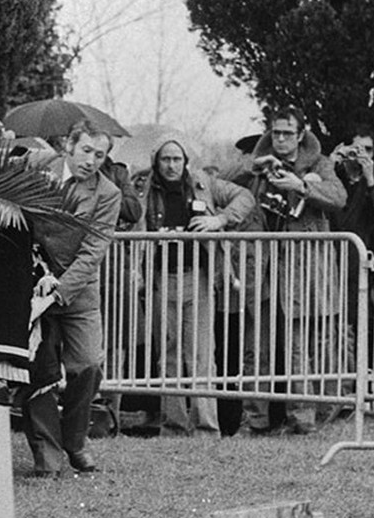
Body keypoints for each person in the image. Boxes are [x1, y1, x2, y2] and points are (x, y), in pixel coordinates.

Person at [232, 110, 347, 434]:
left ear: (300, 134)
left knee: (299, 346)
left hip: (301, 267)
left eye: (287, 133)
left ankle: (302, 419)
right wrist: (251, 167)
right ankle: (255, 419)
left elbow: (339, 197)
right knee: (257, 344)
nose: (280, 138)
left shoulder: (319, 163)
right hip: (264, 264)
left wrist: (302, 186)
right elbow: (221, 181)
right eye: (276, 132)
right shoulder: (258, 159)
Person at [18, 120, 122, 476]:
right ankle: (46, 453)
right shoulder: (36, 166)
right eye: (86, 151)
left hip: (76, 291)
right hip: (32, 285)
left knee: (88, 364)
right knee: (40, 369)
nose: (92, 161)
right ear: (68, 147)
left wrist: (59, 290)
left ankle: (75, 439)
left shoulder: (107, 193)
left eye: (100, 155)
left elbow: (93, 251)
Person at [136, 135, 253, 436]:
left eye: (177, 159)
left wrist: (220, 220)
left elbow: (245, 197)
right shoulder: (145, 188)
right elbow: (132, 222)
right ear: (156, 162)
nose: (172, 165)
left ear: (186, 161)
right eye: (166, 159)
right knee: (169, 354)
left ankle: (205, 426)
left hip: (198, 277)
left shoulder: (204, 183)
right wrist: (136, 269)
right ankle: (172, 425)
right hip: (161, 278)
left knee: (201, 355)